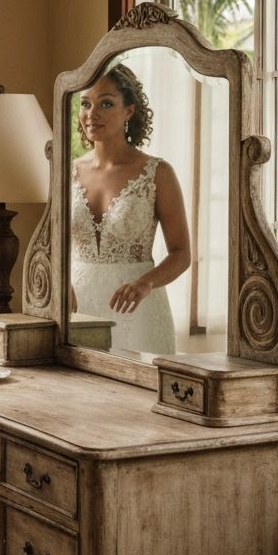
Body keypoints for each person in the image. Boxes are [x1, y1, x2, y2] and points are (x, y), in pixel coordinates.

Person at [70, 64, 190, 353]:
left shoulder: (157, 173)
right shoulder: (68, 171)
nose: (92, 114)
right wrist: (60, 285)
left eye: (106, 103)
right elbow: (49, 246)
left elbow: (181, 254)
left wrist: (144, 284)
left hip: (138, 310)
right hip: (78, 307)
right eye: (86, 103)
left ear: (130, 112)